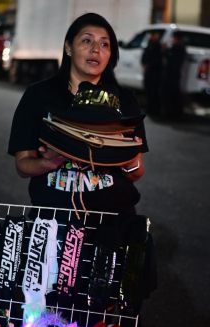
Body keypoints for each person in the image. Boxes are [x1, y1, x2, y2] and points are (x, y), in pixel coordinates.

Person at [8, 12, 148, 215]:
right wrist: (48, 162)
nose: (95, 50)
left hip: (113, 220)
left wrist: (130, 161)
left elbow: (136, 174)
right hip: (54, 219)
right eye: (86, 40)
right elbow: (22, 165)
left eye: (104, 44)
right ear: (68, 47)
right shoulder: (38, 95)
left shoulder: (125, 100)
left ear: (110, 55)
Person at [162, 31, 187, 119]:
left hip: (173, 74)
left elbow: (173, 61)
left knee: (173, 94)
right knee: (170, 94)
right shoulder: (175, 47)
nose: (173, 39)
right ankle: (171, 113)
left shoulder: (180, 48)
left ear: (177, 38)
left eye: (174, 38)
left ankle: (174, 113)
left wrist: (167, 52)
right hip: (171, 74)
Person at [141, 31, 163, 116]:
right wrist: (144, 64)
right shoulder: (149, 45)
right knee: (148, 90)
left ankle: (155, 110)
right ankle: (149, 108)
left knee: (154, 91)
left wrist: (148, 65)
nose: (153, 37)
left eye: (155, 35)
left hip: (155, 72)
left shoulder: (158, 46)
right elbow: (144, 56)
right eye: (153, 35)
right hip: (149, 72)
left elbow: (158, 60)